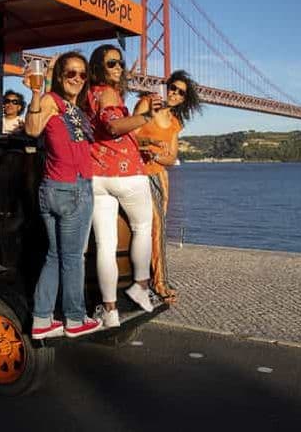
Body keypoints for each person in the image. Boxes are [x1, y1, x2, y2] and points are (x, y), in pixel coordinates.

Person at [24, 52, 102, 338]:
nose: (78, 79)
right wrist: (36, 90)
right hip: (72, 189)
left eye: (83, 75)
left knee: (55, 256)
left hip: (55, 188)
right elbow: (32, 129)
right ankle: (75, 318)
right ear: (59, 76)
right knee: (72, 258)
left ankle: (42, 320)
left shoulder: (73, 108)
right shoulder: (51, 100)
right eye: (71, 73)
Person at [84, 44, 162, 327]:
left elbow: (105, 133)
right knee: (143, 228)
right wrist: (147, 116)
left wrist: (140, 140)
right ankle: (140, 288)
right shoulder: (107, 93)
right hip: (126, 174)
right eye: (111, 64)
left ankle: (110, 311)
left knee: (106, 244)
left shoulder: (87, 94)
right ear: (98, 69)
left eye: (120, 63)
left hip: (97, 176)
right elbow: (114, 127)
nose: (118, 68)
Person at [133, 70, 202, 302]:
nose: (174, 93)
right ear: (166, 86)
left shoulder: (175, 123)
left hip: (160, 176)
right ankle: (158, 281)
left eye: (180, 92)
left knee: (158, 227)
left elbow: (172, 158)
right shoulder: (147, 103)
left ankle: (158, 279)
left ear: (184, 99)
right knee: (154, 226)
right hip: (138, 174)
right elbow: (131, 136)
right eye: (172, 87)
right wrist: (151, 147)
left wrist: (154, 156)